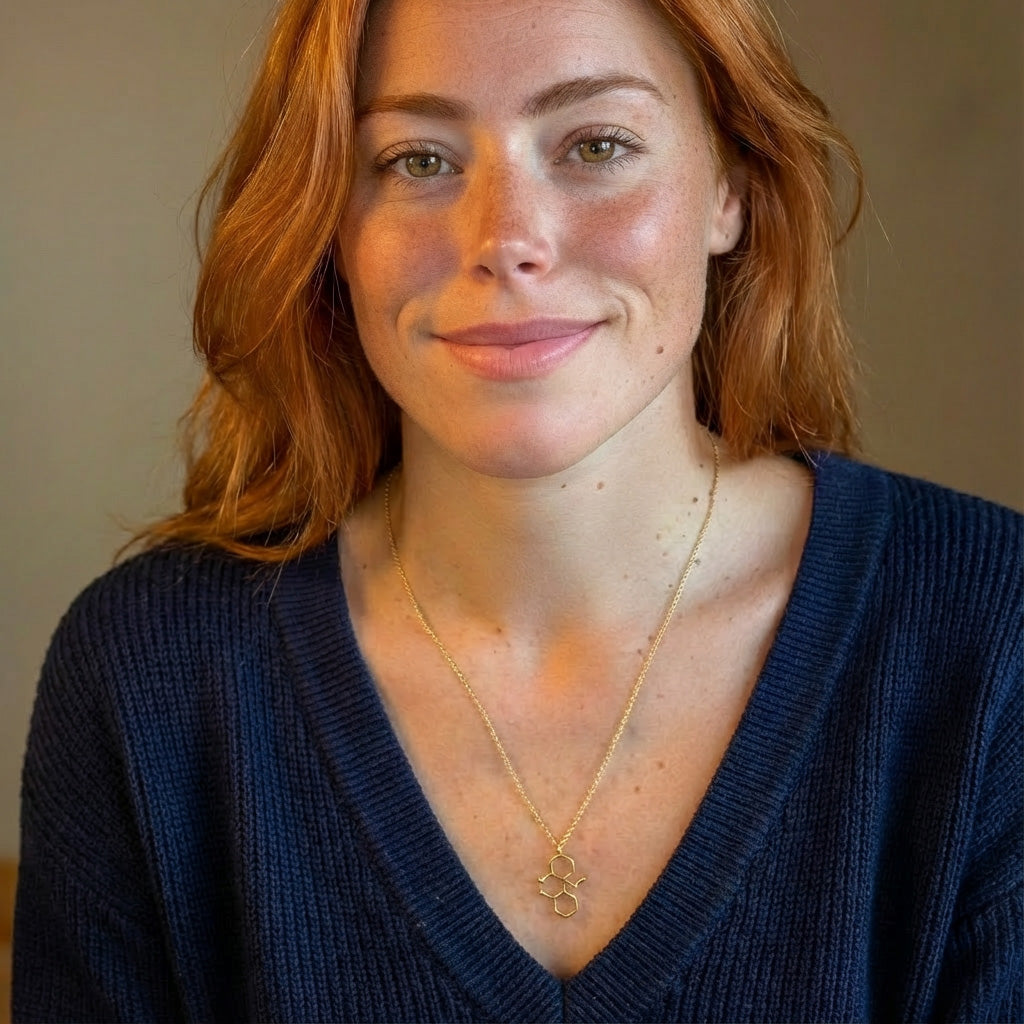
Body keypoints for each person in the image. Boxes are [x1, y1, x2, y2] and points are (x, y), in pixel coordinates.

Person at [13, 0, 1022, 1019]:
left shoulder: (992, 637)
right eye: (417, 160)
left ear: (731, 186)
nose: (506, 239)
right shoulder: (149, 679)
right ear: (331, 220)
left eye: (594, 145)